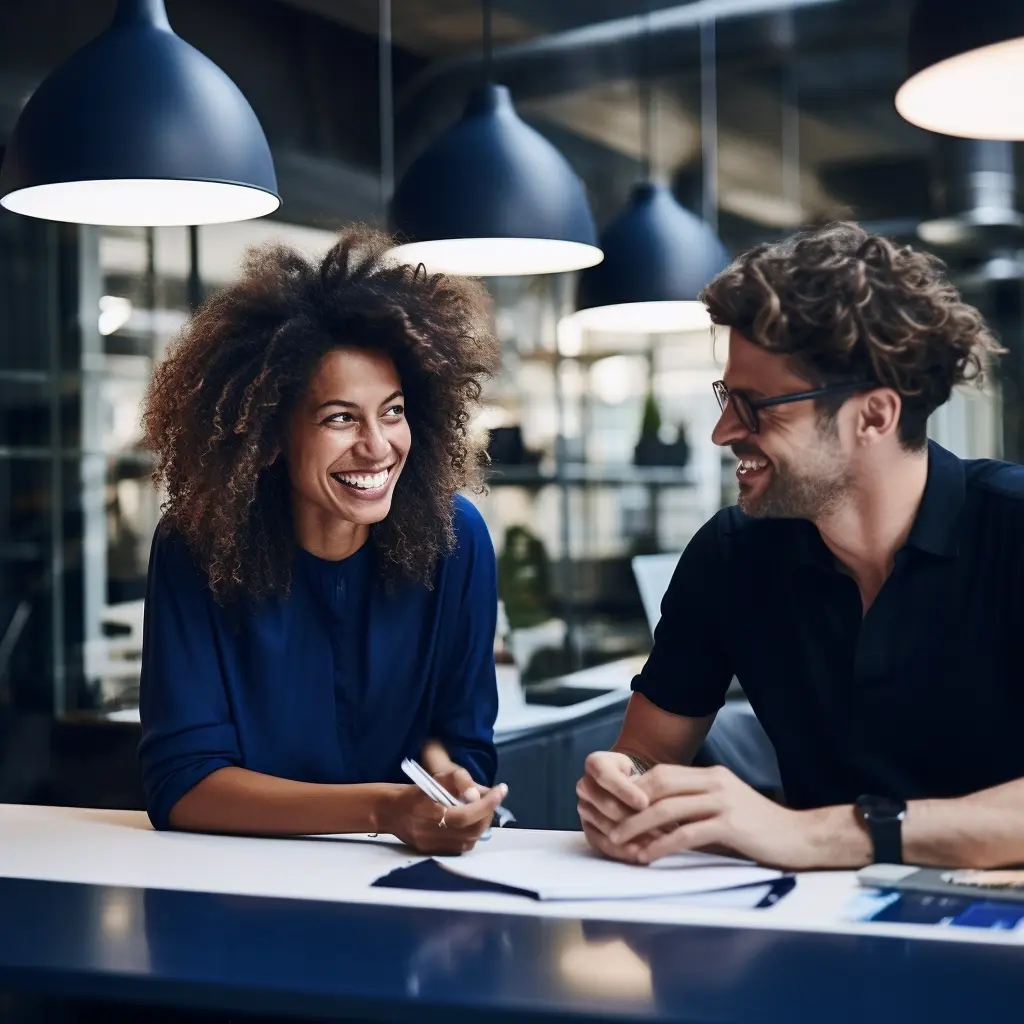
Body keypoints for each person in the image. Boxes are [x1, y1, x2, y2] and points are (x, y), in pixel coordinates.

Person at [578, 222, 1024, 871]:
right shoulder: (730, 556)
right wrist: (620, 786)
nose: (723, 431)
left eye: (758, 406)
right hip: (811, 931)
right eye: (727, 396)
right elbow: (645, 754)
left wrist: (820, 835)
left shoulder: (1012, 531)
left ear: (874, 416)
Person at [138, 228, 507, 854]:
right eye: (341, 418)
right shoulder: (194, 545)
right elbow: (182, 784)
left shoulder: (456, 539)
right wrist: (386, 808)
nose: (377, 445)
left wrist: (447, 777)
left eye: (392, 412)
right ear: (270, 437)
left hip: (400, 882)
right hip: (234, 886)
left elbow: (461, 735)